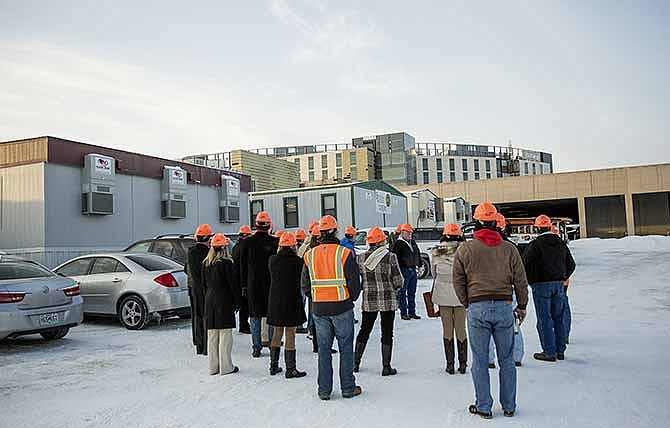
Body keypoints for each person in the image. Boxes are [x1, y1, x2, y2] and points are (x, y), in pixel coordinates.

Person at [453, 202, 529, 419]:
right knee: (506, 359)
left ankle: (484, 406)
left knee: (479, 359)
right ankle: (509, 406)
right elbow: (521, 281)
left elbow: (457, 279)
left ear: (476, 222)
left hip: (477, 307)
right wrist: (522, 305)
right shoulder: (509, 249)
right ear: (496, 222)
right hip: (504, 307)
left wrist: (467, 302)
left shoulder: (465, 249)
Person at [301, 215, 362, 400]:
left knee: (324, 351)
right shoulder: (344, 253)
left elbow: (305, 286)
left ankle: (324, 390)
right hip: (342, 307)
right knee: (345, 349)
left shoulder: (309, 255)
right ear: (335, 231)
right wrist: (350, 298)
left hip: (320, 309)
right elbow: (354, 283)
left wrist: (318, 297)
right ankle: (348, 387)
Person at [523, 215, 576, 362]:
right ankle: (560, 350)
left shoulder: (535, 245)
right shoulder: (560, 243)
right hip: (559, 285)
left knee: (544, 319)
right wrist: (562, 276)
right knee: (558, 318)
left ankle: (549, 351)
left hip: (540, 286)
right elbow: (571, 264)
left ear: (537, 228)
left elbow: (525, 263)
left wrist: (531, 280)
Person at [354, 227, 403, 376]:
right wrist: (396, 288)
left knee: (364, 330)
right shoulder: (390, 257)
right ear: (382, 241)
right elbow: (398, 280)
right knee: (387, 332)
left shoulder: (360, 258)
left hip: (369, 299)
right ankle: (386, 366)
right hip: (388, 299)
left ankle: (355, 363)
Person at [239, 211, 279, 358]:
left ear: (256, 225)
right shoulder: (275, 242)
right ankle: (270, 343)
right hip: (270, 284)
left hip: (252, 284)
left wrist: (243, 285)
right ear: (269, 225)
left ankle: (256, 347)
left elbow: (243, 266)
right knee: (270, 316)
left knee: (255, 316)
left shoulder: (247, 243)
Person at [267, 232, 308, 378]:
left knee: (277, 332)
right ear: (292, 246)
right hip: (291, 300)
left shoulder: (272, 260)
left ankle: (273, 365)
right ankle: (291, 368)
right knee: (290, 333)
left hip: (275, 301)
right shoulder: (297, 262)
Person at [488, 213, 525, 368]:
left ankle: (489, 359)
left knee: (487, 327)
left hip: (486, 292)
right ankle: (516, 356)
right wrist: (522, 302)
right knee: (513, 324)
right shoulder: (511, 247)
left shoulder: (480, 246)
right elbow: (519, 275)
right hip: (508, 291)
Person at [202, 233, 241, 375]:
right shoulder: (227, 264)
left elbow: (203, 284)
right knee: (225, 335)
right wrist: (237, 302)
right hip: (224, 301)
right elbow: (233, 285)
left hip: (209, 300)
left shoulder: (206, 263)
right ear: (224, 247)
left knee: (212, 335)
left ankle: (213, 367)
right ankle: (226, 366)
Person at [431, 223, 467, 375]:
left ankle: (450, 365)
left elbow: (434, 273)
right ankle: (463, 364)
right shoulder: (465, 250)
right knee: (461, 329)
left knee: (447, 329)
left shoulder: (437, 251)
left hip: (443, 294)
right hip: (460, 294)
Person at [186, 224, 213, 355]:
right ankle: (206, 346)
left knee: (197, 315)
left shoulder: (191, 252)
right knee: (206, 316)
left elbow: (187, 269)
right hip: (206, 288)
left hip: (194, 288)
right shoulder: (209, 253)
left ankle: (199, 344)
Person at [392, 223, 421, 320]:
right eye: (408, 233)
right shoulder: (398, 244)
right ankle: (404, 312)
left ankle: (412, 312)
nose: (410, 234)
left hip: (412, 269)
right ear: (402, 233)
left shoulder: (412, 242)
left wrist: (419, 264)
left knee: (412, 292)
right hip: (404, 270)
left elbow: (417, 253)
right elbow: (395, 259)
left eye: (410, 233)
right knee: (402, 292)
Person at [232, 224, 253, 334]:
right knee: (246, 304)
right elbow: (245, 265)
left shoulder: (236, 247)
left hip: (237, 278)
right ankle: (244, 324)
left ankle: (243, 323)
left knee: (243, 303)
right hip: (244, 278)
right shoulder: (245, 247)